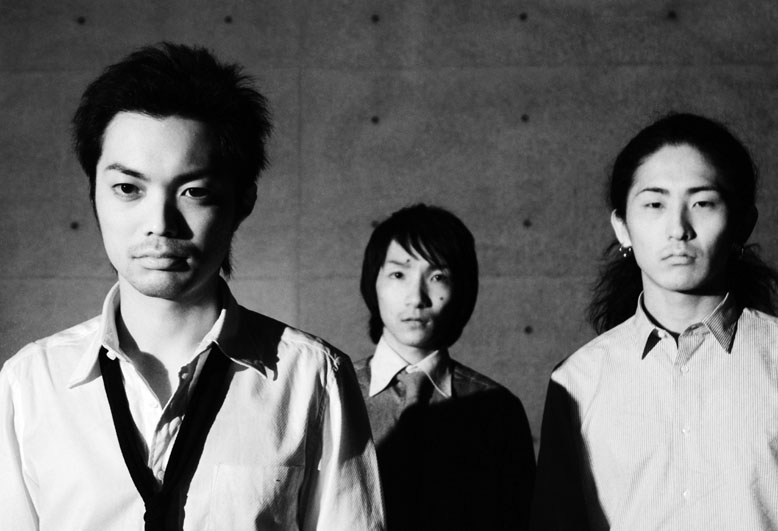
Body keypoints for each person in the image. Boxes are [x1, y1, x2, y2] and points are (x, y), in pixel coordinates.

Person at [0, 42, 385, 531]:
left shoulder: (313, 378)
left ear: (243, 201)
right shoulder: (30, 383)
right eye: (128, 188)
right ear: (93, 193)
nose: (159, 223)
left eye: (194, 191)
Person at [533, 112, 778, 529]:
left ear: (742, 224)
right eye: (655, 204)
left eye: (703, 203)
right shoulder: (578, 380)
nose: (678, 228)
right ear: (622, 227)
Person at [354, 203, 536, 530]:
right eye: (398, 274)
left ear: (461, 289)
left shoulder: (497, 408)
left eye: (437, 277)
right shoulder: (333, 393)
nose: (416, 298)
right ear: (373, 282)